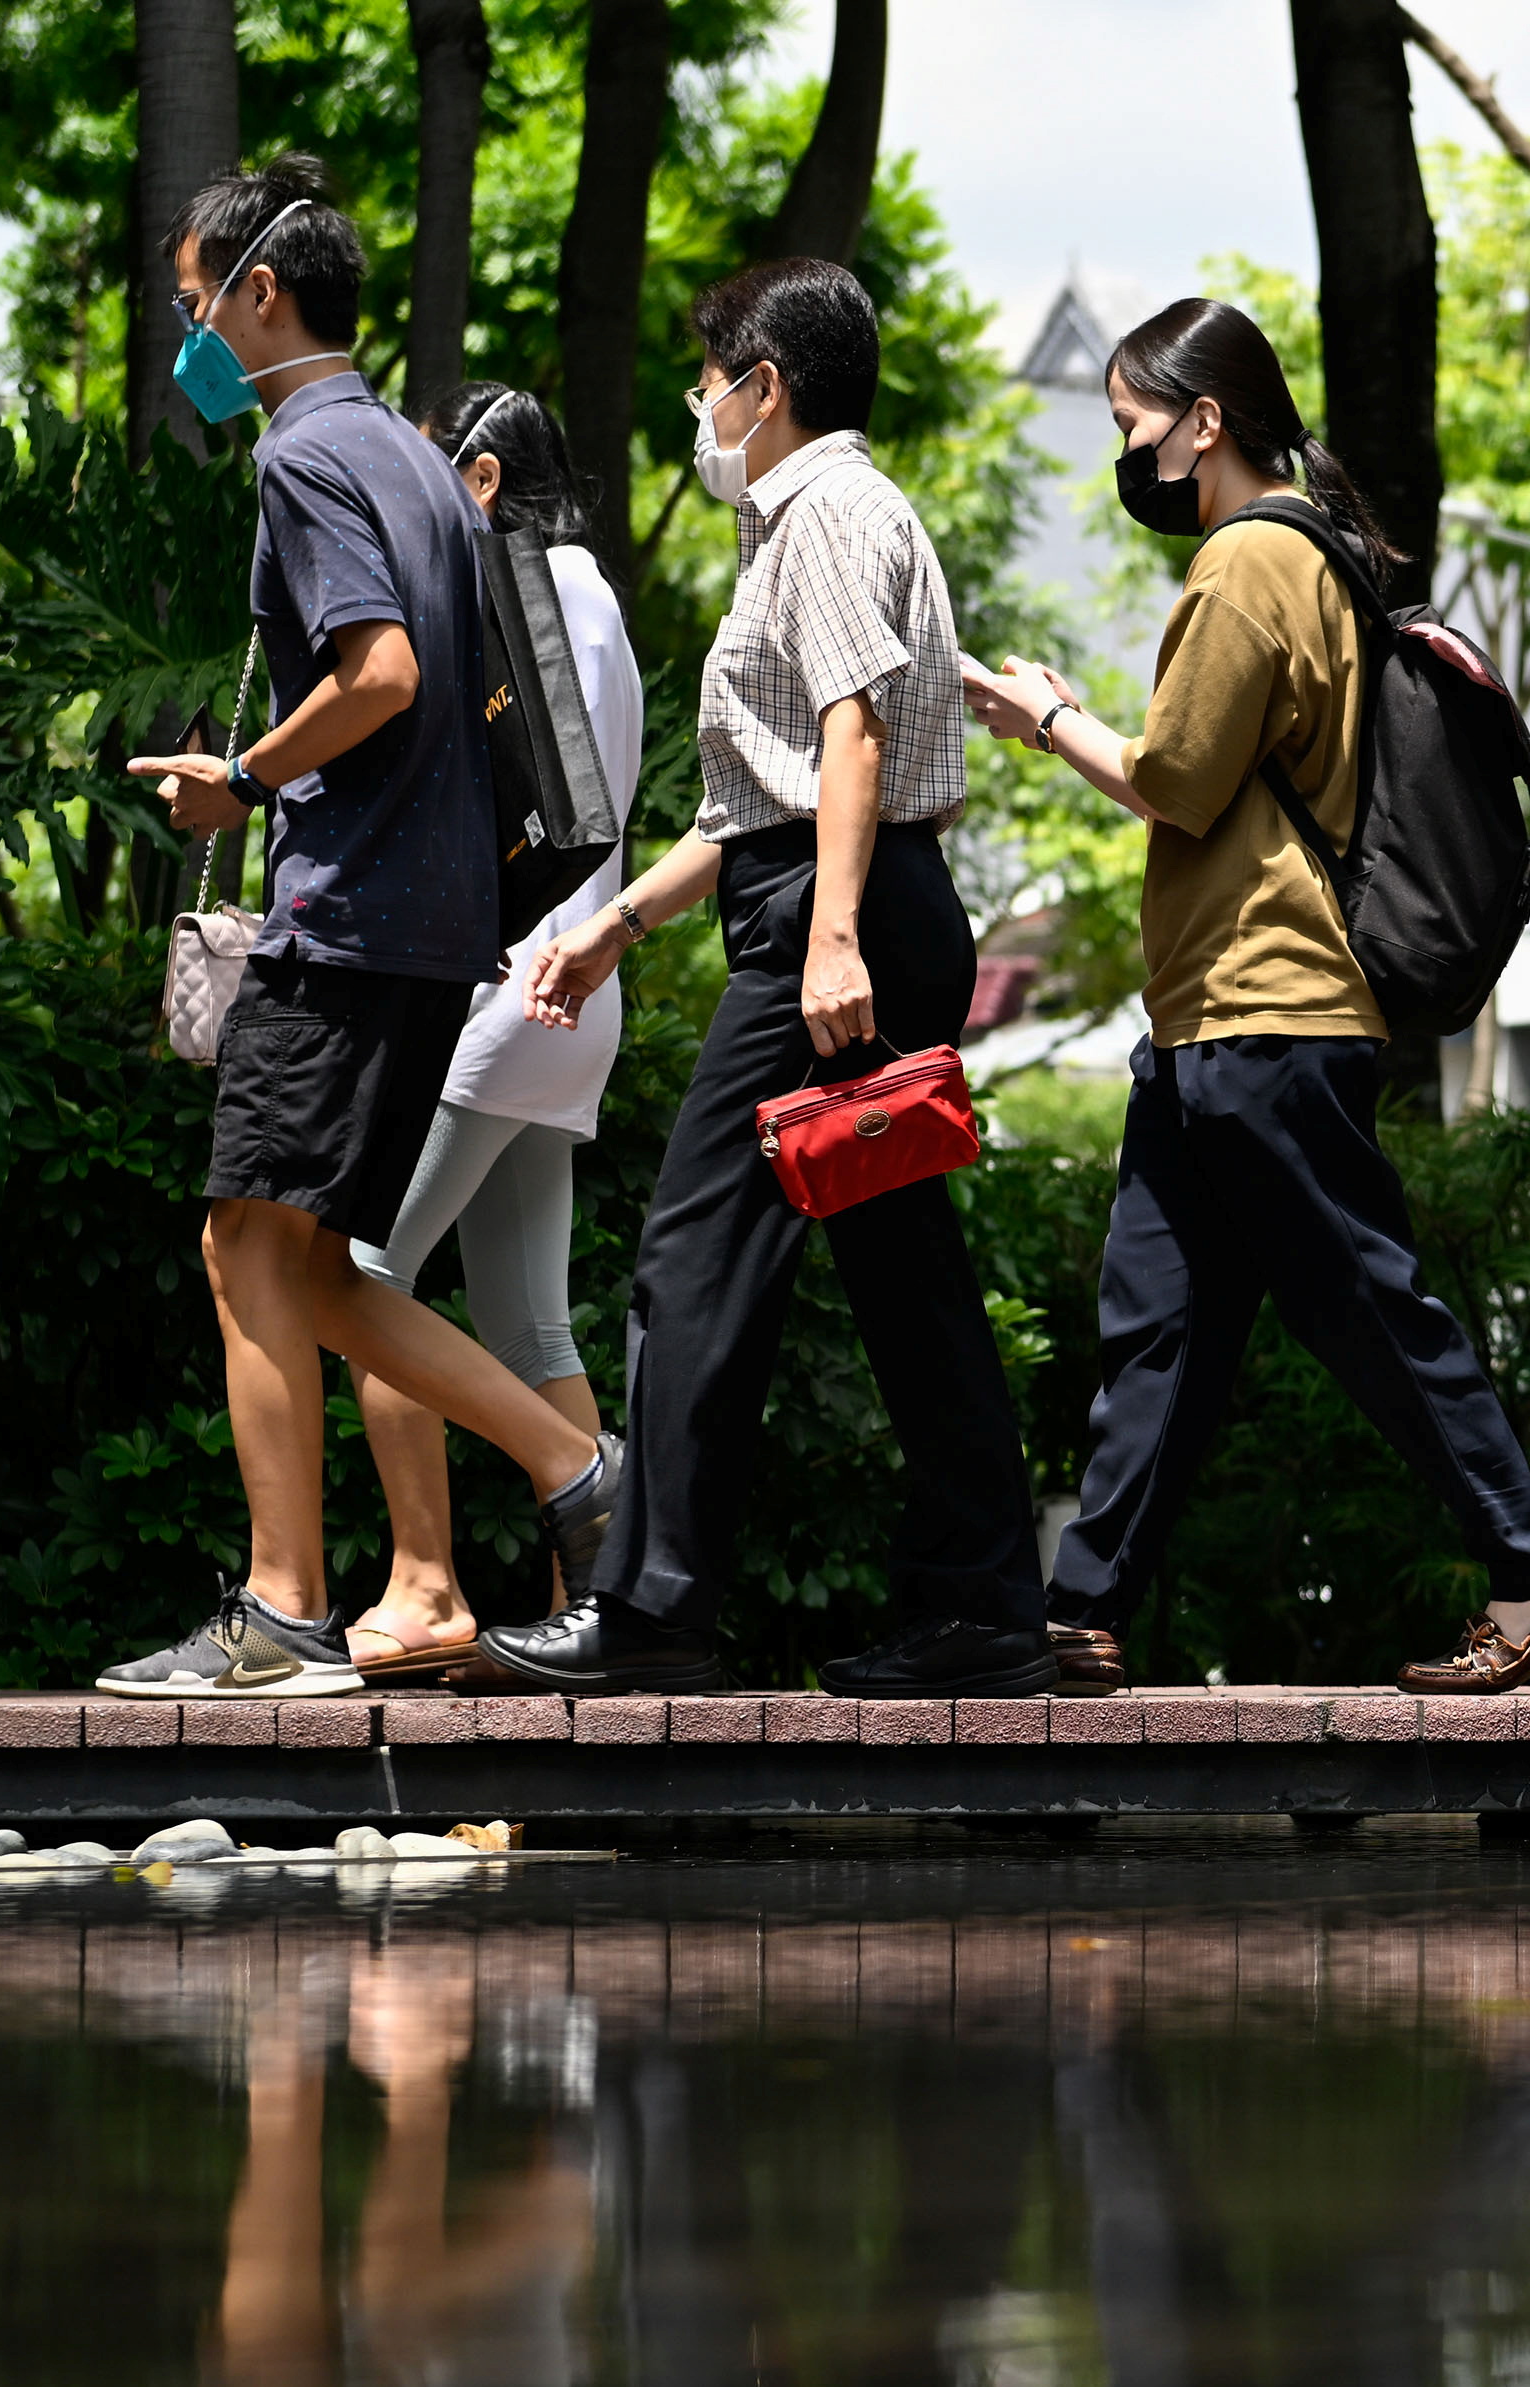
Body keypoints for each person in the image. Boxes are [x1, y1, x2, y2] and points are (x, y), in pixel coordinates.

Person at [956, 300, 1530, 1693]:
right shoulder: (1309, 547)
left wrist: (1044, 716)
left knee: (1371, 1311)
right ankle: (1080, 1609)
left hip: (1271, 1007)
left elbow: (1177, 780)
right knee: (1161, 1325)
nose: (1127, 453)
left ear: (1203, 420)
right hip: (1217, 1017)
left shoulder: (1250, 555)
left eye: (1134, 425)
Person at [485, 258, 1065, 1699]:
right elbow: (750, 805)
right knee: (905, 1278)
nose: (702, 403)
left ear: (768, 386)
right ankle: (987, 1607)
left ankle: (656, 1607)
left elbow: (848, 741)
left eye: (712, 377)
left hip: (838, 914)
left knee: (692, 1259)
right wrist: (613, 926)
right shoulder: (853, 512)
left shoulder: (818, 514)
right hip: (852, 895)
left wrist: (831, 938)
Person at [97, 157, 619, 1701]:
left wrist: (240, 780)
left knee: (246, 1242)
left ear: (258, 295)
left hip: (345, 919)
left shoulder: (307, 456)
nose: (191, 333)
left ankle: (282, 1609)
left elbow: (381, 672)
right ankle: (581, 1476)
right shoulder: (411, 450)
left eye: (194, 306)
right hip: (435, 924)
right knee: (315, 1266)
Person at [339, 382, 647, 1683]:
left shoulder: (518, 583)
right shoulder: (599, 597)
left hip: (509, 984)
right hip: (578, 991)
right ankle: (606, 1606)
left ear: (475, 479)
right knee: (531, 1325)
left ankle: (430, 1586)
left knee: (354, 1276)